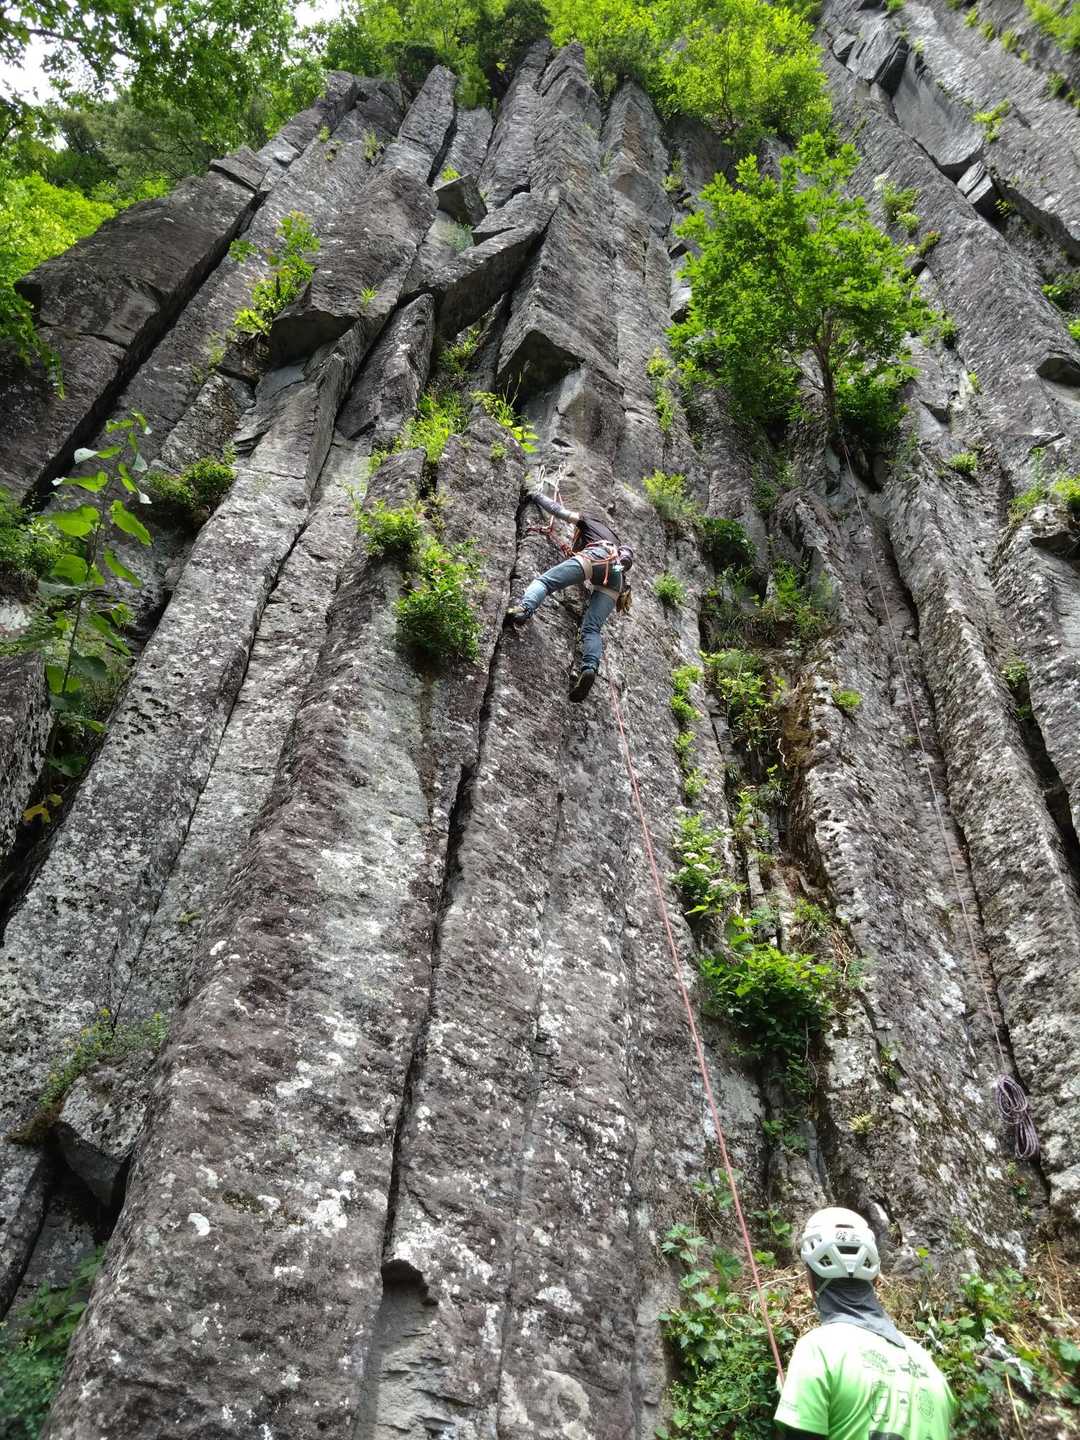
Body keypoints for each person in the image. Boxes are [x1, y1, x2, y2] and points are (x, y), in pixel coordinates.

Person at [775, 1207, 956, 1440]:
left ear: (810, 1278)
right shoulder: (931, 1370)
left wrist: (796, 1397)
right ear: (876, 1279)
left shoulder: (819, 1351)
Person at [505, 489, 635, 703]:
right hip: (617, 576)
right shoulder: (616, 541)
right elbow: (616, 565)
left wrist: (535, 495)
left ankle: (524, 609)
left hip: (597, 556)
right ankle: (590, 667)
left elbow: (557, 510)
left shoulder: (588, 521)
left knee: (545, 582)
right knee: (592, 628)